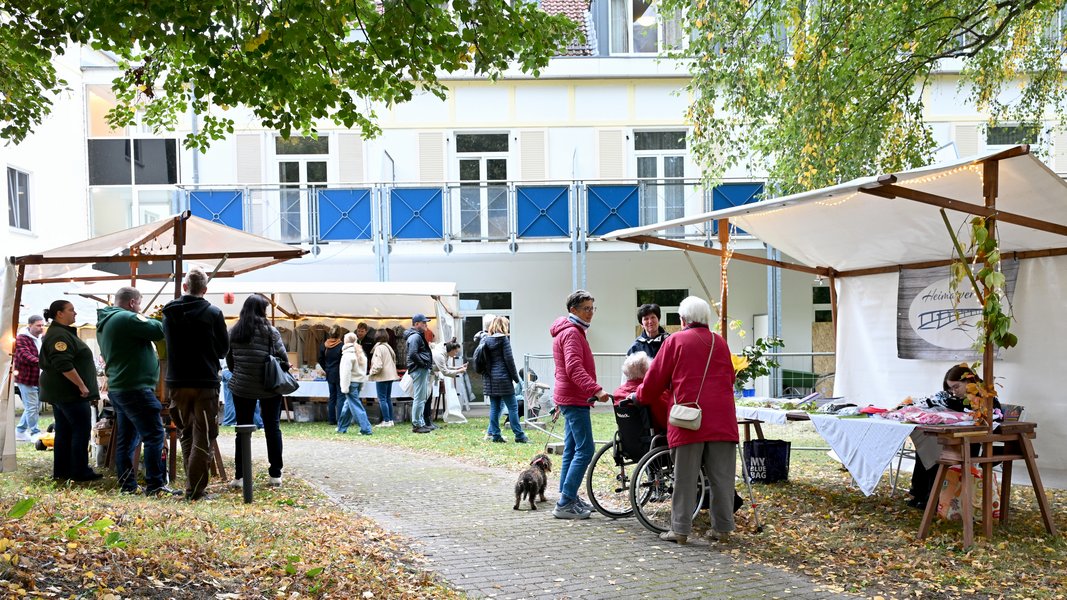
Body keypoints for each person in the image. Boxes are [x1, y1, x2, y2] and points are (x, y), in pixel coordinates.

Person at [636, 295, 737, 545]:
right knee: (722, 477)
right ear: (705, 319)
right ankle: (722, 529)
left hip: (688, 420)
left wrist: (639, 396)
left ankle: (680, 530)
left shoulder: (676, 341)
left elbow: (655, 379)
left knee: (684, 477)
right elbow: (731, 378)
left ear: (683, 319)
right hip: (722, 419)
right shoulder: (720, 342)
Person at [96, 287, 177, 497]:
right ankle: (155, 485)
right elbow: (159, 330)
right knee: (155, 435)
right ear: (132, 303)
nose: (140, 307)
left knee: (127, 439)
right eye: (139, 303)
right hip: (135, 388)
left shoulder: (109, 320)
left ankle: (128, 485)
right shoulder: (126, 318)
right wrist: (143, 316)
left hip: (121, 387)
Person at [162, 267, 229, 500]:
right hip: (204, 381)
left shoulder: (168, 312)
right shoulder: (213, 312)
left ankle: (193, 485)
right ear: (205, 289)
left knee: (186, 432)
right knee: (205, 434)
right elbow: (223, 350)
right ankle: (196, 490)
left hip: (176, 381)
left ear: (184, 287)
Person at [906, 364, 1003, 510]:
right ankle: (921, 493)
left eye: (956, 387)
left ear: (968, 382)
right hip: (952, 438)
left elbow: (995, 418)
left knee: (934, 447)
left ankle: (931, 497)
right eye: (950, 388)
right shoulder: (950, 398)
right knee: (926, 444)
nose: (953, 391)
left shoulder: (985, 398)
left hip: (969, 442)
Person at [550, 290, 611, 519]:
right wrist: (596, 389)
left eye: (592, 308)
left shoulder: (570, 331)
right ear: (573, 310)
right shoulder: (572, 333)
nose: (590, 313)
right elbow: (574, 368)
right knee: (585, 450)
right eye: (586, 308)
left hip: (570, 396)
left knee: (572, 449)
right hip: (574, 398)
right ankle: (565, 502)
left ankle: (569, 496)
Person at [227, 294, 289, 488]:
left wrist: (242, 372)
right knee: (272, 427)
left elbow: (230, 362)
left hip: (242, 387)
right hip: (269, 386)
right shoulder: (271, 332)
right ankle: (275, 474)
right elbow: (283, 359)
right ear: (263, 311)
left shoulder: (234, 332)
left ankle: (240, 476)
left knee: (242, 430)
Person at [37, 300, 102, 482]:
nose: (75, 314)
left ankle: (63, 470)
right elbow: (63, 364)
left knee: (65, 431)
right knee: (80, 430)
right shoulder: (59, 336)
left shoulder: (61, 333)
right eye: (71, 310)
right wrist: (81, 385)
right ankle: (79, 470)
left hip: (63, 393)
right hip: (69, 393)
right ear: (59, 313)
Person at [482, 317, 528, 444]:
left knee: (494, 408)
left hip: (490, 379)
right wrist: (516, 378)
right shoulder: (503, 340)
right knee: (513, 407)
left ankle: (496, 435)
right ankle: (519, 435)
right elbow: (509, 360)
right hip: (503, 379)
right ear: (504, 326)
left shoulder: (486, 340)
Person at [613, 351, 668, 434]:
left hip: (628, 440)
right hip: (656, 438)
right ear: (647, 371)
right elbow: (667, 420)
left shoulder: (618, 394)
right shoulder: (653, 393)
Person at [14, 314, 45, 442]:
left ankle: (20, 431)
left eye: (42, 325)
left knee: (33, 407)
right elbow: (24, 355)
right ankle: (35, 432)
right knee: (32, 407)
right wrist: (43, 362)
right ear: (30, 325)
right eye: (38, 325)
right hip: (26, 378)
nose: (41, 328)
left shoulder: (39, 339)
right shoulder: (22, 338)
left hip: (38, 378)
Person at [337, 332, 372, 435]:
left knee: (356, 407)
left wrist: (344, 387)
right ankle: (341, 428)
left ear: (345, 341)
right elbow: (364, 371)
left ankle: (366, 429)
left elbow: (345, 373)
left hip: (350, 383)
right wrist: (362, 384)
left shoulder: (347, 355)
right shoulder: (360, 354)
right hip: (357, 383)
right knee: (347, 406)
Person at [404, 314, 434, 433]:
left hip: (419, 369)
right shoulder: (415, 337)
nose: (426, 324)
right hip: (419, 369)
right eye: (423, 322)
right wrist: (423, 364)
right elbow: (412, 354)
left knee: (421, 398)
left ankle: (420, 422)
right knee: (420, 398)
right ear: (416, 324)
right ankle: (417, 424)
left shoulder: (415, 336)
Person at [368, 329, 398, 427]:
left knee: (382, 399)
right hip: (390, 376)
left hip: (382, 376)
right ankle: (390, 420)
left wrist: (371, 373)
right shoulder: (388, 347)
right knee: (388, 398)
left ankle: (386, 421)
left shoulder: (379, 348)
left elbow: (378, 365)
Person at [318, 326, 345, 425]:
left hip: (329, 373)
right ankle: (341, 420)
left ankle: (331, 419)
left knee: (332, 397)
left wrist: (326, 368)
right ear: (340, 334)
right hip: (339, 374)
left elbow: (320, 359)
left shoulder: (324, 345)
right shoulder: (342, 346)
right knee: (341, 397)